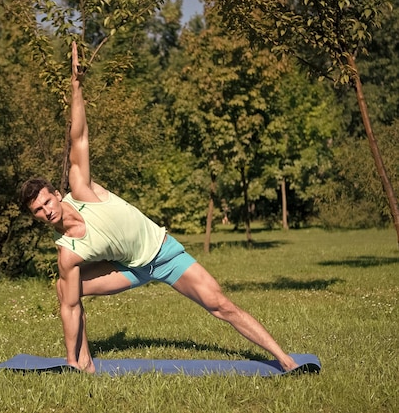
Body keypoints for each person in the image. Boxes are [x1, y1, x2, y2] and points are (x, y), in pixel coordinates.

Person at [20, 41, 298, 374]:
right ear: (35, 217)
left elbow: (79, 137)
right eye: (38, 211)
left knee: (220, 304)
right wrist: (68, 363)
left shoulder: (81, 190)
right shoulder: (67, 252)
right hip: (129, 269)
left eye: (47, 201)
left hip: (164, 253)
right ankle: (82, 364)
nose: (47, 211)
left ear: (56, 192)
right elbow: (70, 307)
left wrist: (76, 86)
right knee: (66, 286)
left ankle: (286, 360)